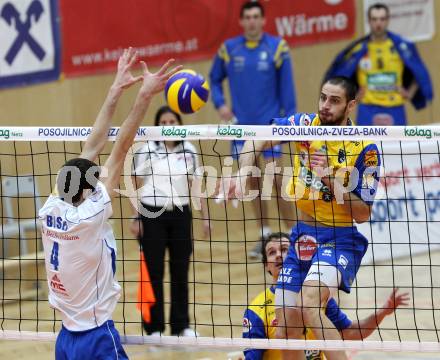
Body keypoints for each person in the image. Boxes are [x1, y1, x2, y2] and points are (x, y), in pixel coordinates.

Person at [223, 76, 381, 360]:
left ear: (351, 106)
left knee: (310, 303)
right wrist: (243, 172)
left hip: (340, 239)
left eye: (334, 101)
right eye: (323, 98)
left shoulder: (365, 148)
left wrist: (330, 178)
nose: (325, 106)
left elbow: (363, 213)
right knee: (286, 320)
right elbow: (255, 138)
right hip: (303, 235)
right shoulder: (305, 126)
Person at [38, 48, 181, 359]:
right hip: (97, 337)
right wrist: (145, 95)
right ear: (88, 190)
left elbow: (93, 144)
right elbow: (120, 148)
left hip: (65, 339)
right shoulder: (91, 215)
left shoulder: (50, 208)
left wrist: (115, 90)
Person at [209, 0, 297, 258]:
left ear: (263, 20)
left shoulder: (277, 48)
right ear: (241, 21)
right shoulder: (228, 50)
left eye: (256, 16)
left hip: (272, 128)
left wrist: (289, 124)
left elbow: (288, 92)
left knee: (279, 182)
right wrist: (220, 104)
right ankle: (264, 235)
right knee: (252, 182)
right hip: (240, 129)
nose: (251, 21)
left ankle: (293, 235)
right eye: (246, 17)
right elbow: (214, 80)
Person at [242, 233, 409, 360]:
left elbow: (350, 333)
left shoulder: (314, 297)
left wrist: (381, 313)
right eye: (272, 252)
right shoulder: (257, 309)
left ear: (295, 257)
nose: (279, 255)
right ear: (266, 266)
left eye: (285, 250)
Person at [130, 105, 209, 336]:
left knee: (180, 271)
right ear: (157, 126)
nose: (167, 126)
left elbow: (197, 187)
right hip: (152, 215)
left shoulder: (189, 149)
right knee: (153, 272)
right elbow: (134, 183)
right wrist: (136, 216)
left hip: (181, 215)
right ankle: (154, 328)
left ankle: (181, 326)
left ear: (179, 125)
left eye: (171, 122)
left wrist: (205, 218)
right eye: (162, 123)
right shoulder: (146, 149)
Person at [325, 2, 433, 126]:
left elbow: (419, 71)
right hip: (367, 109)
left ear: (387, 21)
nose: (378, 23)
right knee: (366, 146)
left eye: (382, 19)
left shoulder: (400, 47)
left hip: (395, 108)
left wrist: (410, 93)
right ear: (369, 21)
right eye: (374, 19)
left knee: (400, 145)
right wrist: (352, 96)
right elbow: (340, 75)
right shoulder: (358, 49)